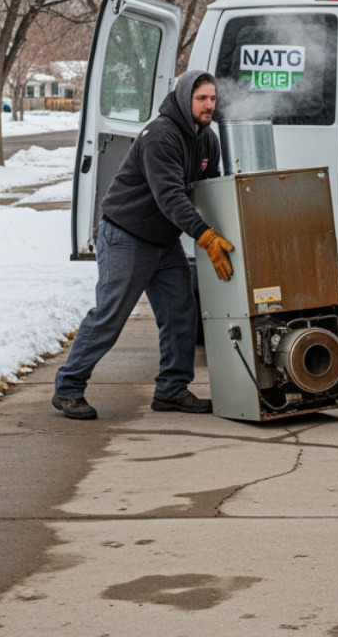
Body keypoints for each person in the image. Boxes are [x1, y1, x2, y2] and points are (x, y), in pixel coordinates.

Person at [53, 71, 236, 419]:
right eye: (201, 98)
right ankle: (68, 388)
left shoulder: (207, 139)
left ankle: (172, 390)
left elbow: (212, 186)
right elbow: (170, 196)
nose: (209, 105)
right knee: (110, 315)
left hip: (163, 240)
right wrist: (206, 236)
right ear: (184, 98)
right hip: (126, 235)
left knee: (181, 311)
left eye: (213, 98)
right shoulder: (161, 136)